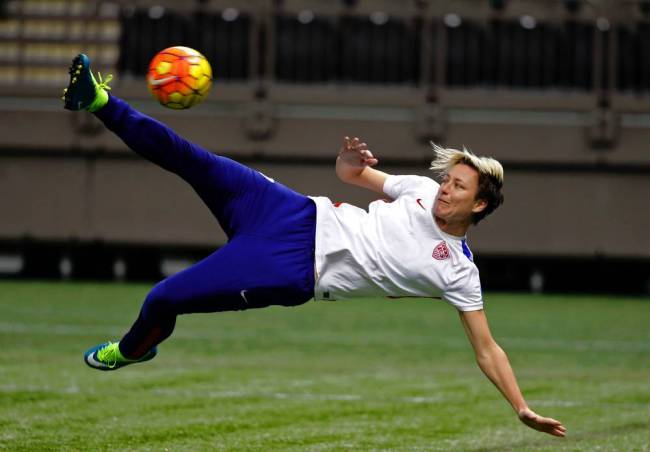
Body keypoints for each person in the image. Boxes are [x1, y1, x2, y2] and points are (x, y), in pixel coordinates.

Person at [63, 54, 566, 437]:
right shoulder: (418, 189)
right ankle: (99, 101)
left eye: (459, 187)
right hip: (290, 210)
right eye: (448, 179)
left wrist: (520, 406)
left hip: (292, 266)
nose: (445, 189)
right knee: (189, 157)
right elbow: (352, 176)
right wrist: (351, 160)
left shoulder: (457, 272)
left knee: (162, 299)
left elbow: (488, 349)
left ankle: (130, 351)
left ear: (478, 206)